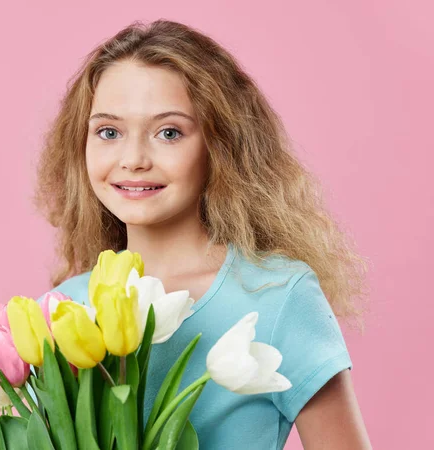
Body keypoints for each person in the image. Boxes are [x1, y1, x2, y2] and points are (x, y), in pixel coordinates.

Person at [32, 19, 372, 449]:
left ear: (219, 146)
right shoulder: (65, 310)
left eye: (168, 132)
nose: (133, 158)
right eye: (109, 132)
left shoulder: (278, 296)